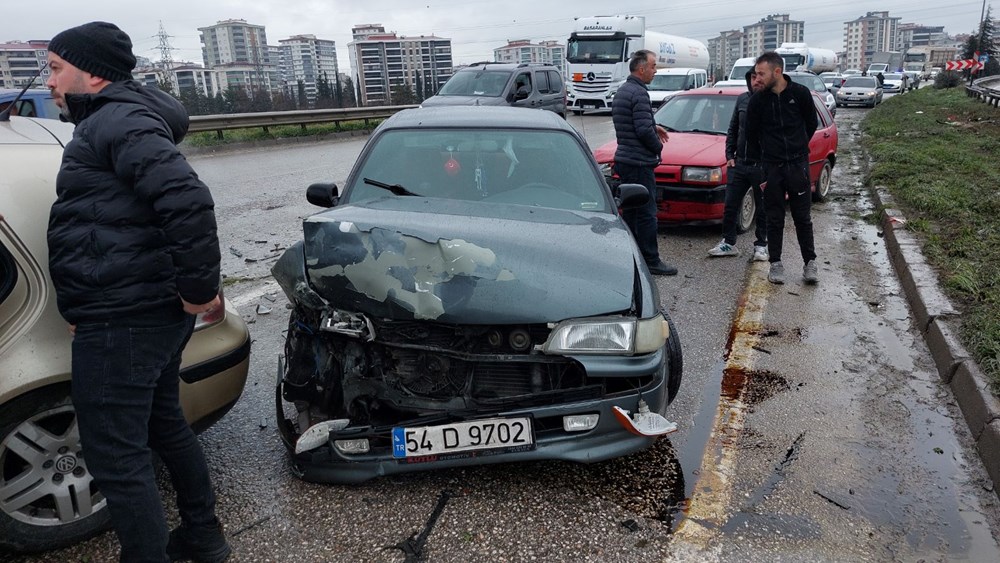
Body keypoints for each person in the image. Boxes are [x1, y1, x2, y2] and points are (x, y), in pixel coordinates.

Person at [45, 22, 230, 562]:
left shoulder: (116, 120)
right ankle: (203, 535)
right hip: (139, 310)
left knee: (116, 458)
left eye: (57, 68)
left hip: (125, 319)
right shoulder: (116, 120)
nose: (50, 81)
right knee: (163, 423)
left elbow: (186, 199)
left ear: (94, 74)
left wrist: (200, 290)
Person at [744, 51, 819, 285]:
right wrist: (763, 162)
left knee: (802, 217)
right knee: (773, 217)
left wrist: (798, 148)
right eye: (755, 73)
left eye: (761, 74)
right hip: (771, 168)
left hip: (798, 166)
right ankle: (775, 263)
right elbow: (751, 134)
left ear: (777, 72)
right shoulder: (757, 101)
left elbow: (811, 124)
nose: (757, 78)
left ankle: (810, 263)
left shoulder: (800, 94)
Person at [611, 49, 677, 276]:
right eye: (653, 66)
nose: (655, 71)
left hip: (625, 160)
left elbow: (634, 124)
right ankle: (651, 260)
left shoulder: (623, 91)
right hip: (639, 162)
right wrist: (657, 146)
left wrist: (652, 125)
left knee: (630, 212)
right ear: (641, 69)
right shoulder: (639, 93)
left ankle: (632, 256)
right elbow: (641, 130)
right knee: (647, 212)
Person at [707, 70, 768, 260]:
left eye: (759, 77)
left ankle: (761, 245)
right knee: (730, 204)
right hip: (739, 163)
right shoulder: (742, 99)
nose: (756, 81)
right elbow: (733, 128)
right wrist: (729, 155)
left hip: (762, 166)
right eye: (752, 78)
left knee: (763, 207)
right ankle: (728, 242)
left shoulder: (773, 101)